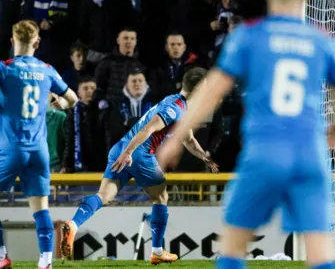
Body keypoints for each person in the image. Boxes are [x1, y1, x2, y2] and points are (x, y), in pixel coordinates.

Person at [156, 0, 335, 269]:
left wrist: (174, 138)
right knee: (319, 251)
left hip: (265, 152)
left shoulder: (249, 36)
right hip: (310, 153)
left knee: (233, 247)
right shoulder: (322, 39)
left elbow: (211, 92)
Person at [59, 67, 217, 265]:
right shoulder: (175, 108)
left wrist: (206, 158)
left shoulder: (176, 103)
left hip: (120, 149)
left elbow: (189, 139)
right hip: (138, 153)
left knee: (104, 196)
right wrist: (129, 153)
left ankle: (73, 224)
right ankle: (157, 251)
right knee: (161, 197)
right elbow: (148, 129)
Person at [0, 20, 79, 269]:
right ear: (37, 42)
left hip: (11, 148)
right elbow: (73, 99)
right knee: (40, 206)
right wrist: (60, 104)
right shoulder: (47, 70)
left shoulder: (5, 68)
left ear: (13, 42)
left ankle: (2, 255)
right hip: (39, 150)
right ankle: (45, 261)